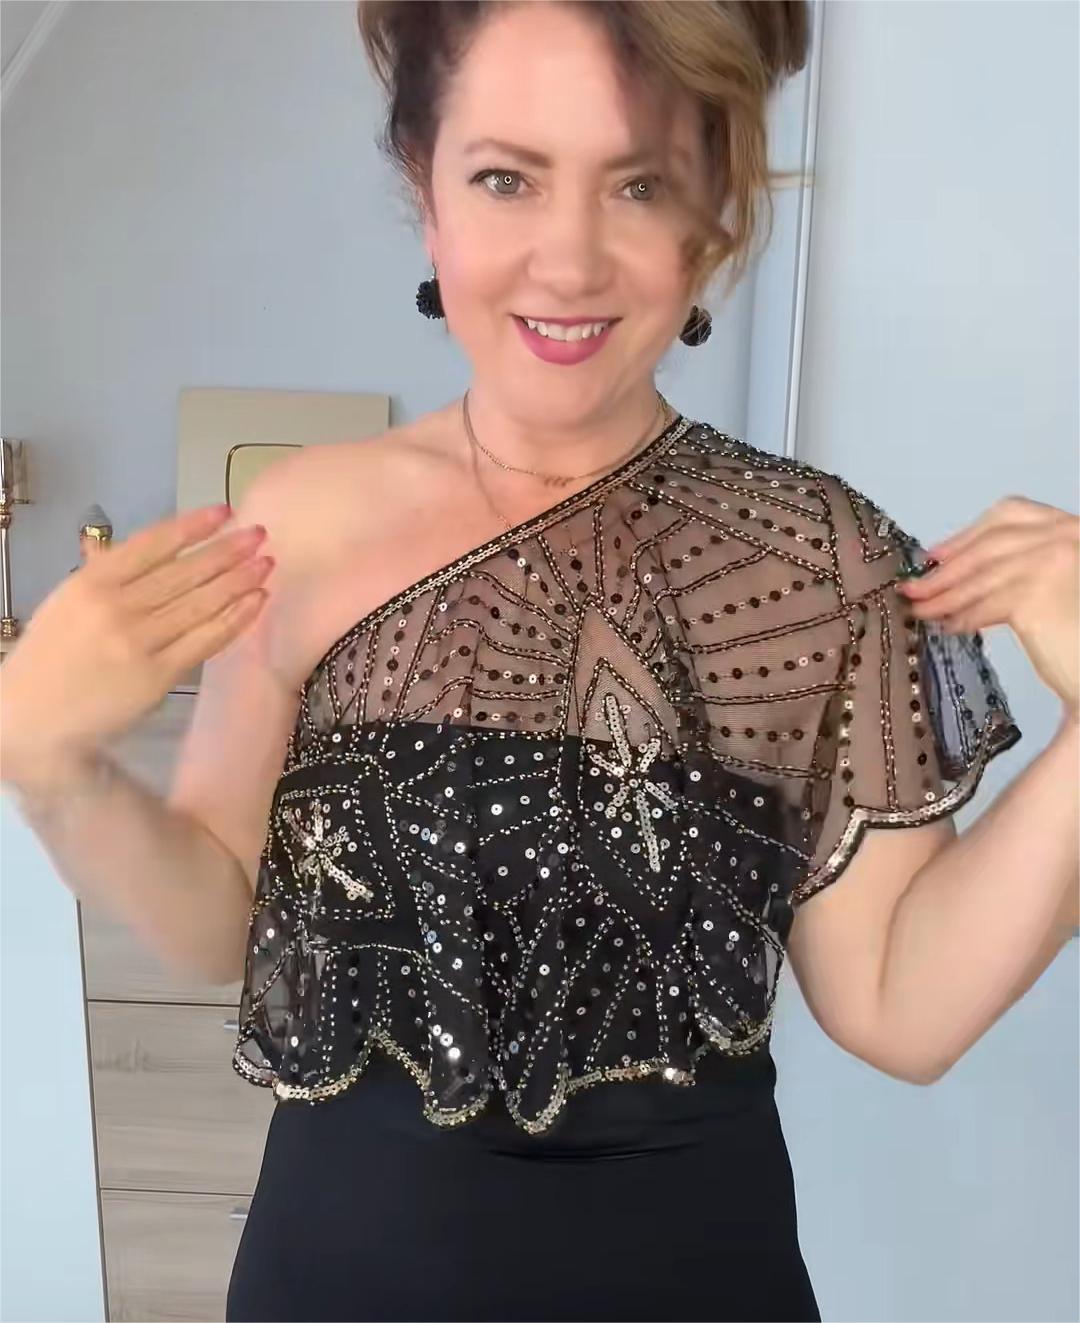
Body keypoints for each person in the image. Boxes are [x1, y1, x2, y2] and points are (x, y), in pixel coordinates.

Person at [1, 2, 1076, 1320]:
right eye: (507, 178)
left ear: (714, 214)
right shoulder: (304, 523)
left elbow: (903, 1005)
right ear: (426, 191)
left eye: (639, 184)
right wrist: (52, 767)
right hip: (330, 1284)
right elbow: (214, 918)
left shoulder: (815, 563)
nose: (567, 261)